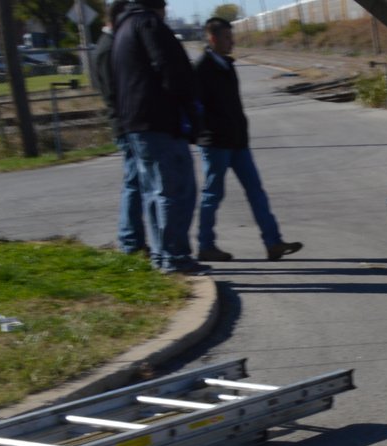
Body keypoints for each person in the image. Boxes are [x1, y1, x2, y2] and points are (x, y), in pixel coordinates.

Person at [106, 0, 207, 275]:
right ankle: (175, 257)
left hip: (135, 124)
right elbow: (171, 70)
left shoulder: (123, 29)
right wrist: (190, 109)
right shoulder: (149, 25)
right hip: (160, 121)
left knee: (153, 193)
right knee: (175, 191)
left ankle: (162, 256)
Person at [193, 17, 301, 262]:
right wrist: (206, 132)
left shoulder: (227, 64)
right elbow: (195, 106)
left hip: (238, 141)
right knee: (213, 195)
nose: (232, 42)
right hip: (215, 143)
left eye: (232, 37)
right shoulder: (202, 68)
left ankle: (273, 242)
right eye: (227, 38)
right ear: (213, 39)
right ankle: (205, 245)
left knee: (256, 191)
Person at [89, 23, 146, 257]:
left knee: (135, 182)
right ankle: (130, 240)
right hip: (124, 123)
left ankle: (132, 238)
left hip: (125, 122)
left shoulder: (108, 45)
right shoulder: (107, 48)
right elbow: (113, 92)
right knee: (134, 182)